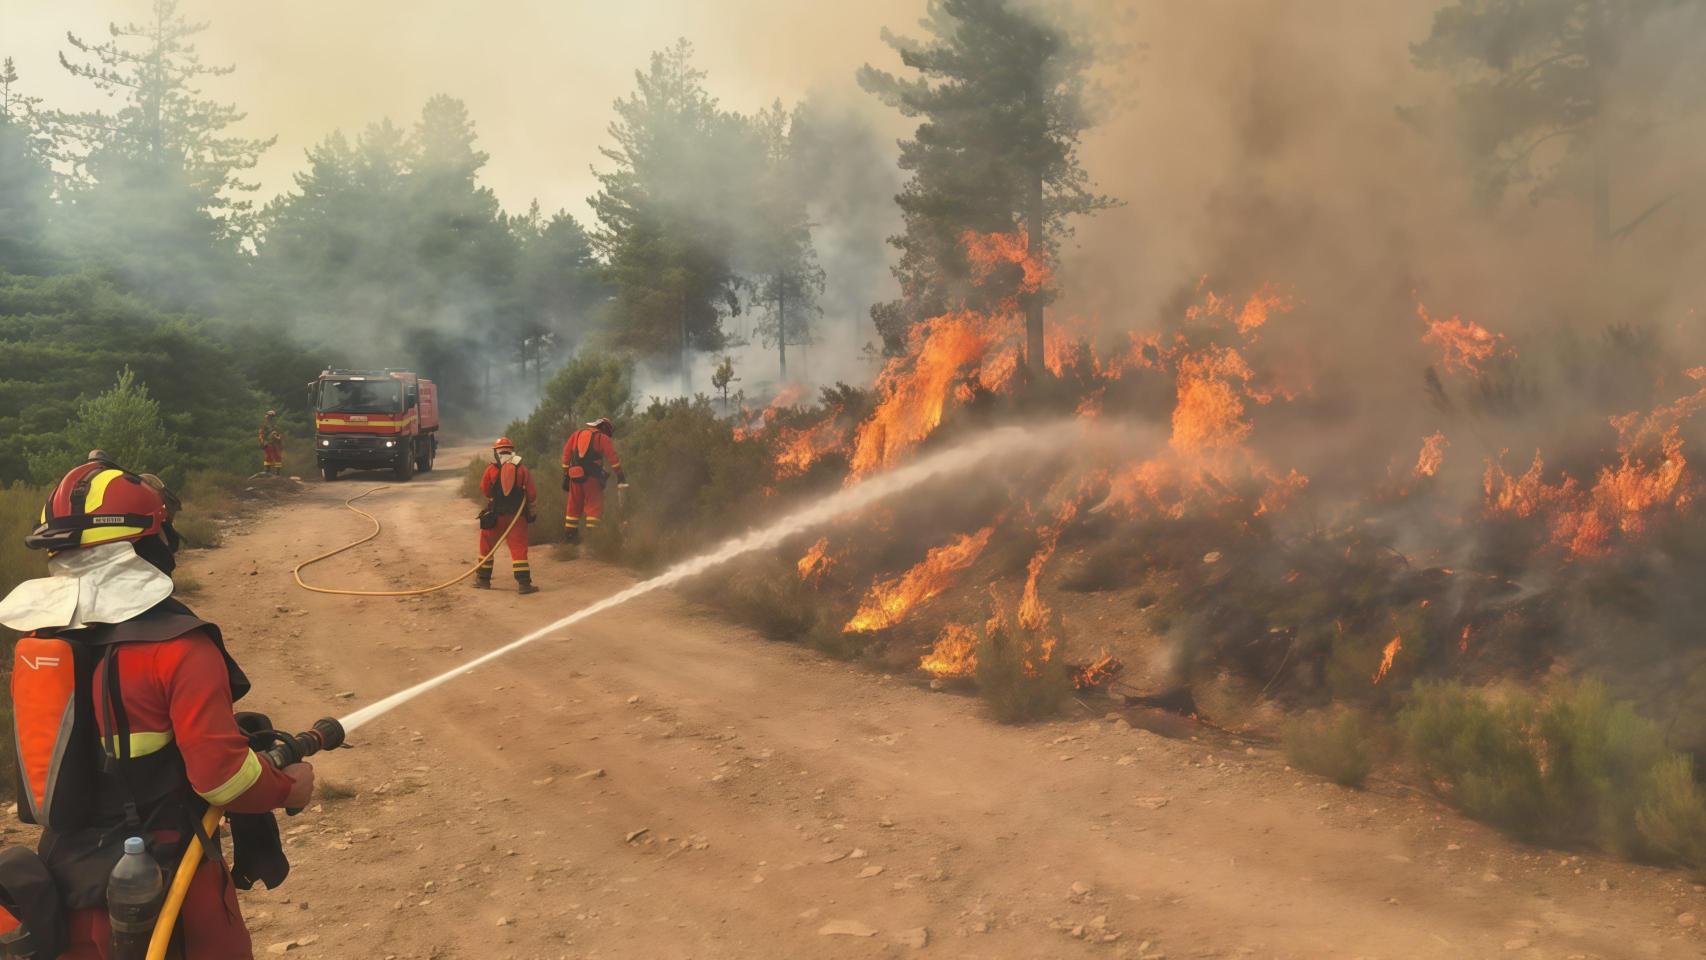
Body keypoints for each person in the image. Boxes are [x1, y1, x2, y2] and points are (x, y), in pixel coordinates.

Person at [0, 456, 315, 958]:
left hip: (64, 882)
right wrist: (289, 783)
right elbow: (222, 779)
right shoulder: (179, 647)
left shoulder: (40, 643)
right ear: (147, 541)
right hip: (169, 882)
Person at [475, 437, 538, 594]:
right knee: (519, 549)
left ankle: (483, 580)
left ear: (496, 452)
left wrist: (493, 497)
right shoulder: (522, 469)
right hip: (517, 518)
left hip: (495, 516)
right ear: (511, 450)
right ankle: (524, 584)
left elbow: (485, 489)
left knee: (486, 546)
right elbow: (532, 494)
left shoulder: (491, 469)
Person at [561, 417, 627, 549]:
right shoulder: (602, 438)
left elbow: (566, 454)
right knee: (594, 505)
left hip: (573, 475)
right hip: (591, 478)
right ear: (603, 428)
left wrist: (566, 472)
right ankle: (592, 539)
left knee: (573, 506)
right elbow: (613, 459)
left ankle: (570, 539)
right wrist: (620, 475)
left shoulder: (577, 434)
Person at [258, 411, 284, 476]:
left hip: (276, 443)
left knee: (278, 457)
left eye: (272, 416)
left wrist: (279, 438)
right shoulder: (264, 425)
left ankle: (278, 473)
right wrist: (262, 442)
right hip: (268, 443)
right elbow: (261, 434)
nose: (270, 418)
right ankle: (267, 471)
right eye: (270, 416)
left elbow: (280, 434)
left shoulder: (276, 425)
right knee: (268, 457)